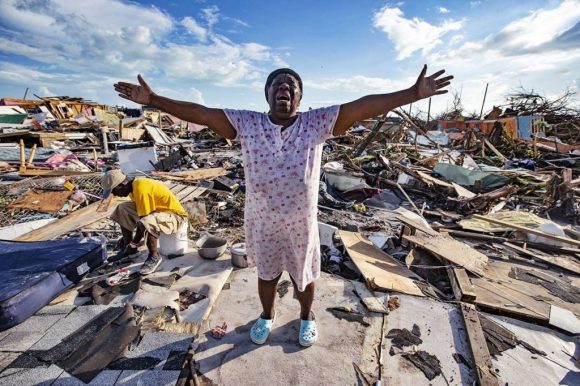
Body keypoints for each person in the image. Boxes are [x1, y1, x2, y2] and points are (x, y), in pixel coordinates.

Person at [114, 65, 452, 346]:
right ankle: (266, 315)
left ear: (301, 97)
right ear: (266, 94)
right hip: (262, 220)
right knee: (267, 274)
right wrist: (155, 100)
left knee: (303, 276)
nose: (284, 89)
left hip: (300, 222)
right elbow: (202, 113)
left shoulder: (315, 124)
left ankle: (306, 317)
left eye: (291, 85)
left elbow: (358, 107)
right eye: (277, 84)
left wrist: (412, 93)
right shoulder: (247, 124)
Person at [101, 169, 188, 275]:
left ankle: (154, 256)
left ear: (121, 185)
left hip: (175, 216)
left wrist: (135, 243)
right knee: (122, 209)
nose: (114, 194)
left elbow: (143, 221)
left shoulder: (141, 188)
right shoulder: (133, 188)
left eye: (113, 191)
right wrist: (130, 243)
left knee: (146, 221)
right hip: (158, 211)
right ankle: (128, 250)